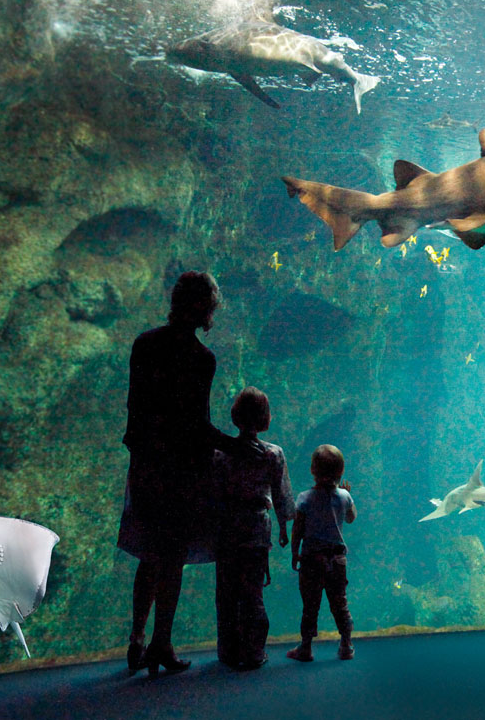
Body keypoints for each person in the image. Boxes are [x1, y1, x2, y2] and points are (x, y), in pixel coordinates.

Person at [117, 271, 234, 676]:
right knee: (173, 557)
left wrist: (143, 452)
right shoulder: (201, 359)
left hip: (147, 464)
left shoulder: (144, 344)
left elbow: (136, 409)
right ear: (204, 308)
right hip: (183, 471)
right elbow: (196, 424)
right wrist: (235, 445)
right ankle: (161, 643)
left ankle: (136, 639)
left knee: (150, 554)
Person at [213, 386, 293, 670]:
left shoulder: (220, 453)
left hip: (226, 529)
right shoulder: (273, 454)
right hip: (257, 529)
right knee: (253, 591)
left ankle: (228, 651)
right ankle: (255, 651)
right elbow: (282, 496)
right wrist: (284, 528)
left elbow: (214, 493)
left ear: (235, 416)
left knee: (226, 592)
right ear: (266, 419)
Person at [286, 444, 357, 662]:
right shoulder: (344, 496)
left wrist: (294, 552)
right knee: (340, 603)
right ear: (341, 471)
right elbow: (351, 518)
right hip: (337, 560)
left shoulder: (304, 498)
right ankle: (346, 644)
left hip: (311, 560)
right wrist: (347, 497)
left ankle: (306, 648)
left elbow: (297, 528)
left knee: (310, 605)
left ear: (312, 470)